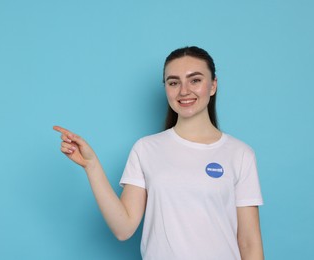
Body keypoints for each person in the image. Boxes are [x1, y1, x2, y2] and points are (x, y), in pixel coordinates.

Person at [54, 46, 264, 260]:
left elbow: (250, 243)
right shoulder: (146, 149)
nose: (184, 91)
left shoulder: (240, 154)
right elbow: (123, 228)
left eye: (195, 80)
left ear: (213, 86)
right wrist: (92, 166)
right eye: (174, 82)